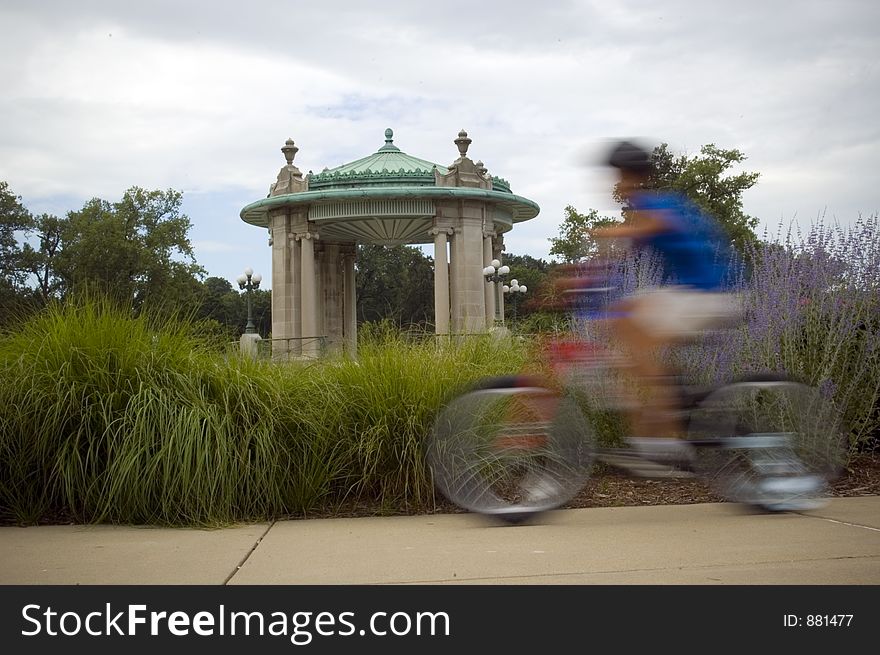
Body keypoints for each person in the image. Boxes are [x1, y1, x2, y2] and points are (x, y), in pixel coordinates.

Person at [590, 139, 741, 467]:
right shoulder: (644, 209)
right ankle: (667, 403)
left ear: (635, 176)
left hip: (709, 296)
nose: (617, 184)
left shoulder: (655, 204)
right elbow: (623, 262)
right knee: (621, 319)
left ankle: (666, 431)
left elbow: (663, 224)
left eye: (621, 176)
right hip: (690, 294)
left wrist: (608, 233)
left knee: (637, 338)